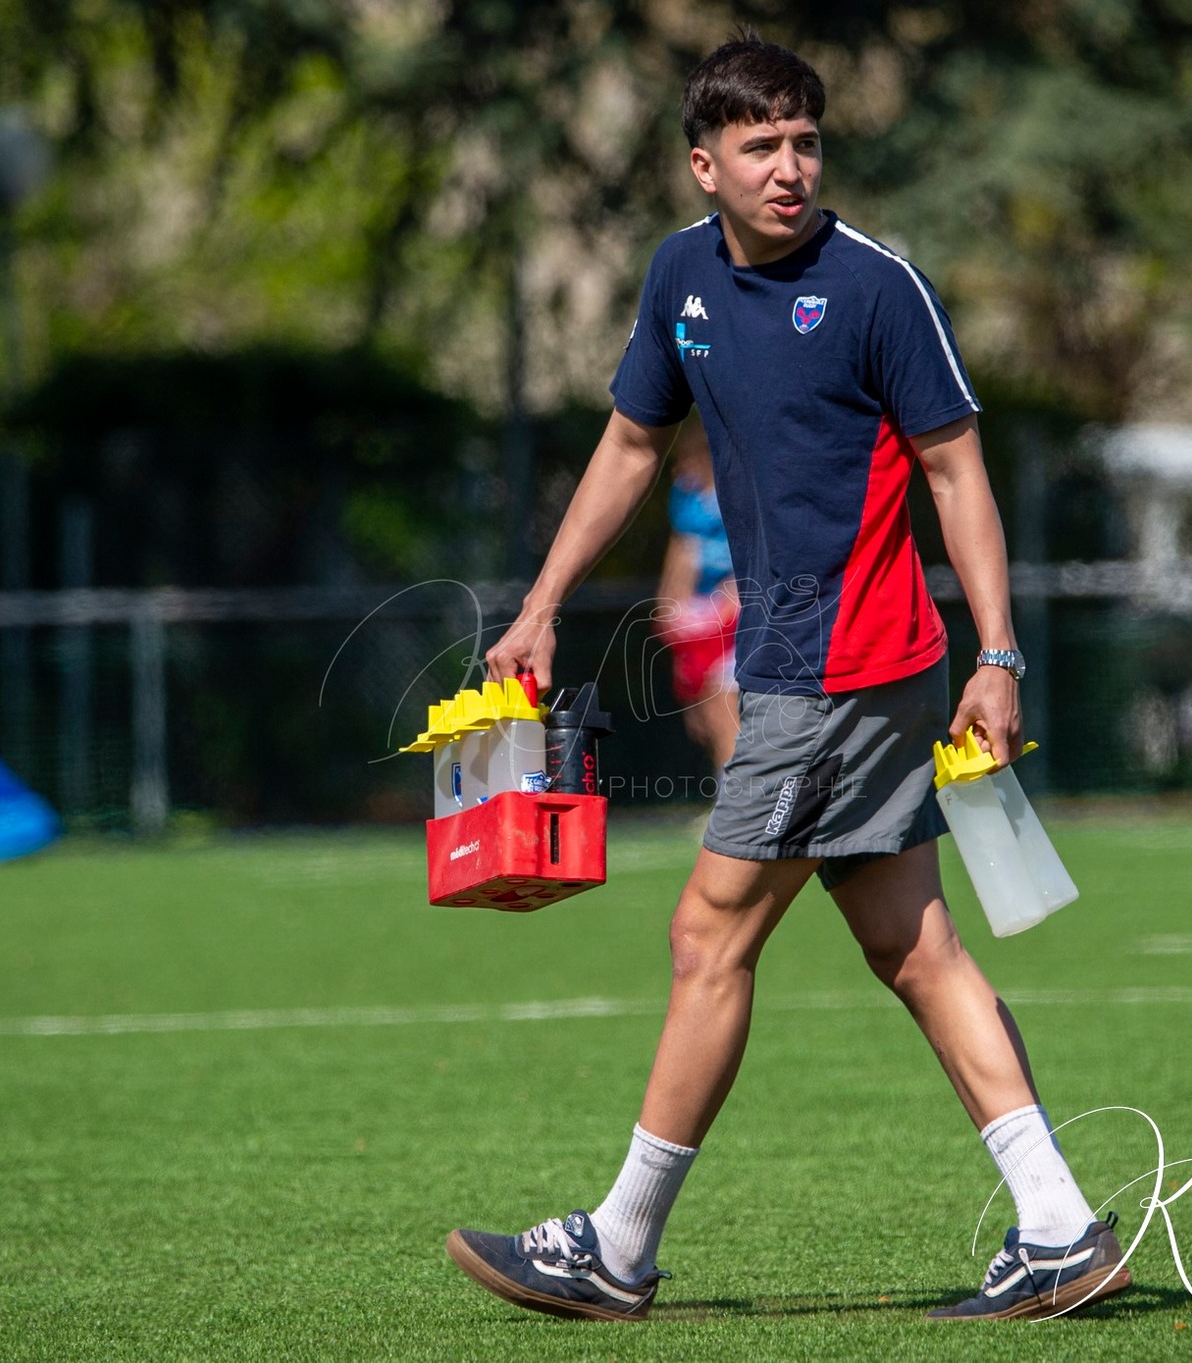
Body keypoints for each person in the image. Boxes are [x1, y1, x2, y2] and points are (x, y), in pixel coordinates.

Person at [446, 36, 1129, 1325]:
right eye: (758, 146)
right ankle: (1057, 1228)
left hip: (843, 669)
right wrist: (539, 604)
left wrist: (997, 655)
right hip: (804, 665)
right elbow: (631, 441)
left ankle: (616, 1249)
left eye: (804, 141)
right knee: (911, 944)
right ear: (701, 166)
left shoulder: (876, 288)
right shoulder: (679, 276)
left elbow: (956, 473)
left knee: (706, 937)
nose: (788, 167)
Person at [655, 417, 740, 771]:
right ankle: (729, 785)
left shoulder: (738, 491)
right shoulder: (686, 498)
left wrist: (739, 590)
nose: (680, 469)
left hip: (740, 613)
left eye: (687, 459)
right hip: (704, 618)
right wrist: (669, 606)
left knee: (724, 704)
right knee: (704, 719)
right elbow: (682, 556)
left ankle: (736, 792)